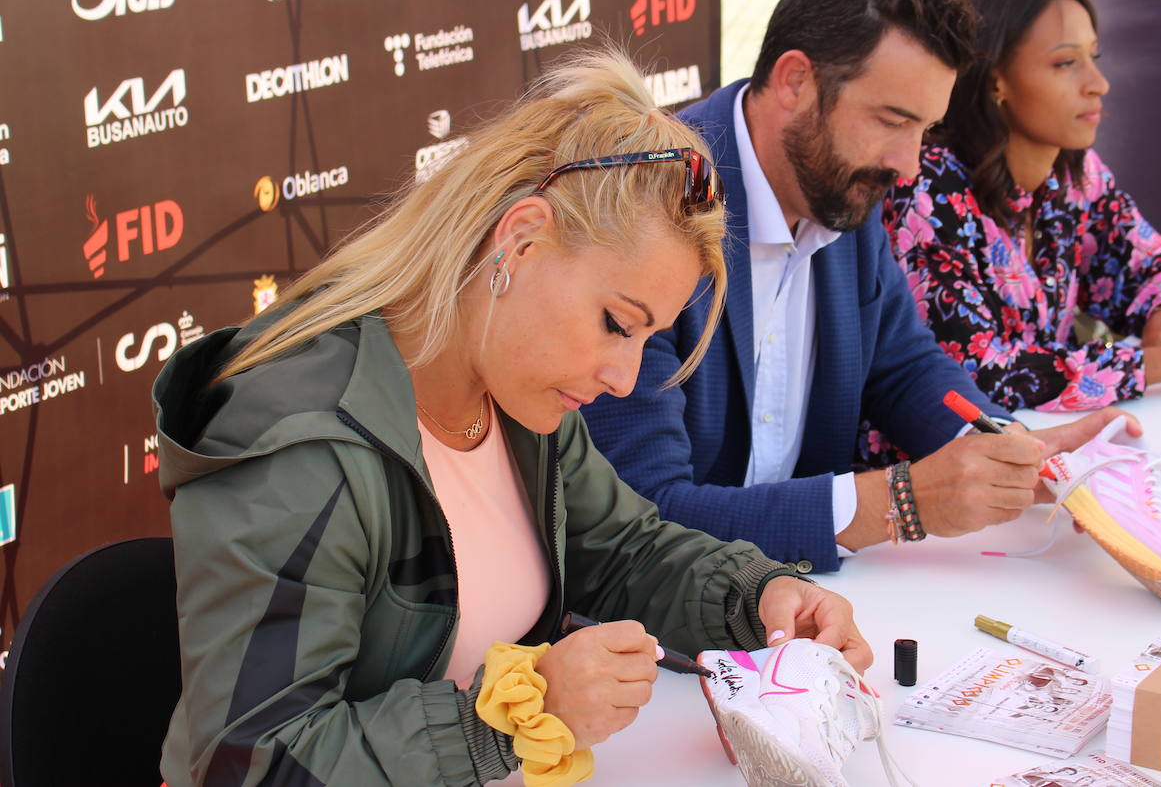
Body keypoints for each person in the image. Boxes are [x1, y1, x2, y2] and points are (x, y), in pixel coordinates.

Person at [153, 51, 869, 787]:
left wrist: (759, 598)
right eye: (617, 324)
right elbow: (250, 762)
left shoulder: (517, 388)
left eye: (648, 340)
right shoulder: (300, 442)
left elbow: (625, 550)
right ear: (520, 242)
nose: (624, 379)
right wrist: (513, 716)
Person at [581, 0, 1137, 575]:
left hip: (803, 612)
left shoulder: (838, 182)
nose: (910, 165)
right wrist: (897, 504)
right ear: (796, 81)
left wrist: (997, 443)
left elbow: (901, 364)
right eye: (893, 121)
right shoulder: (650, 204)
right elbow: (640, 518)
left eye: (925, 130)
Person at [872, 0, 1161, 416]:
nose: (1098, 83)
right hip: (942, 465)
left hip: (1060, 445)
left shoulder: (1075, 174)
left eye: (1094, 56)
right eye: (1065, 63)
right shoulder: (925, 187)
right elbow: (973, 376)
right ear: (996, 81)